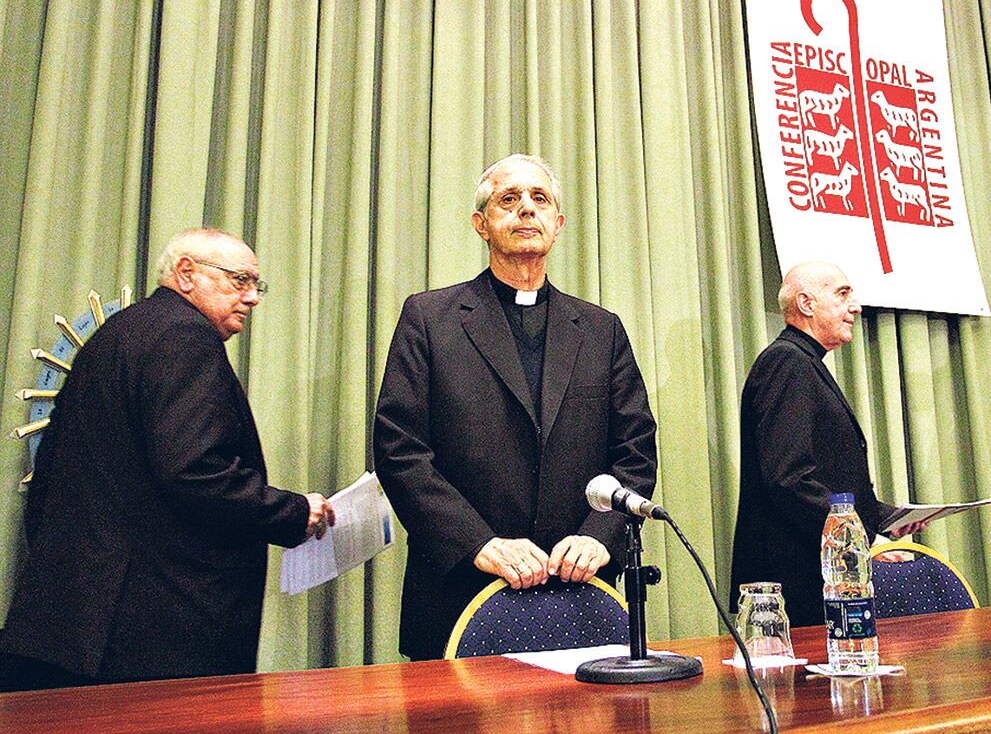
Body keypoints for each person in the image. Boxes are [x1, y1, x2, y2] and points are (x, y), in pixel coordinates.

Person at [0, 229, 335, 690]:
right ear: (186, 274)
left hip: (75, 620)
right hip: (151, 632)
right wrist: (295, 512)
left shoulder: (121, 332)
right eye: (240, 280)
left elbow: (56, 478)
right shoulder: (184, 338)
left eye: (257, 284)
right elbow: (196, 473)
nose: (253, 297)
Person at [374, 154, 658, 660]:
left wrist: (600, 537)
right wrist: (480, 544)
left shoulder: (600, 329)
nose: (526, 209)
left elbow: (634, 451)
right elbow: (400, 452)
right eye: (509, 200)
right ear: (481, 225)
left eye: (539, 199)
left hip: (581, 591)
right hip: (461, 590)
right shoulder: (429, 318)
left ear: (558, 224)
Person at [729, 261, 918, 627]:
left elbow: (825, 475)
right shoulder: (787, 362)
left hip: (816, 575)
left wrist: (884, 518)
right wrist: (859, 538)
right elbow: (788, 479)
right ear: (806, 304)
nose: (856, 306)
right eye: (842, 294)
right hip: (797, 582)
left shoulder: (802, 362)